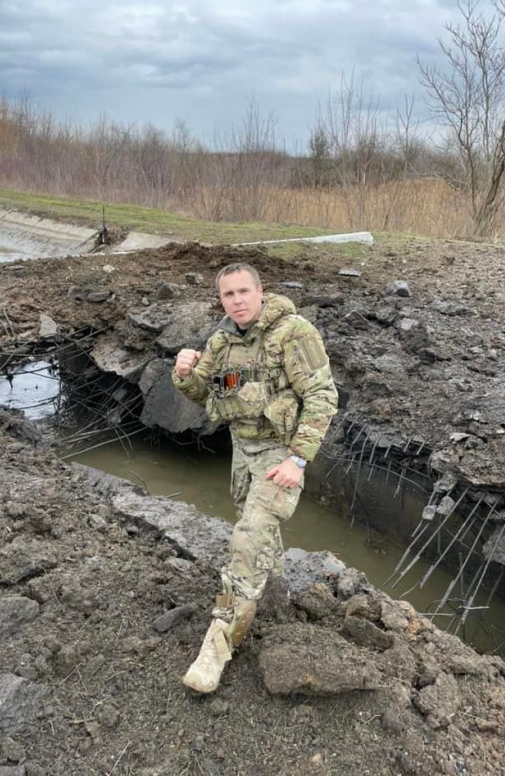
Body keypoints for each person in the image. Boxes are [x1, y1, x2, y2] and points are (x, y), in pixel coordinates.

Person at [172, 262, 338, 693]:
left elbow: (322, 396)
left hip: (279, 454)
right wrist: (184, 373)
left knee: (246, 540)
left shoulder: (293, 333)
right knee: (260, 536)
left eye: (244, 291)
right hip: (241, 453)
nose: (238, 301)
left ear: (261, 291)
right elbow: (202, 393)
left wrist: (297, 460)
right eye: (229, 295)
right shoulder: (221, 341)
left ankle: (216, 648)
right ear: (221, 300)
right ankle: (276, 598)